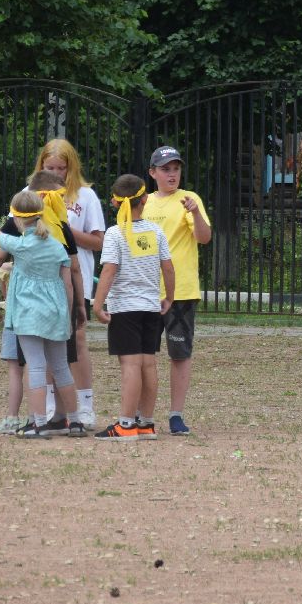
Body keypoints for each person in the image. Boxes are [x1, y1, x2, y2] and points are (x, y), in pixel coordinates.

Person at [0, 190, 81, 439]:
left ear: (17, 219)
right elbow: (68, 285)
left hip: (28, 314)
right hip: (56, 313)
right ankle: (74, 421)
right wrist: (69, 315)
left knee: (35, 366)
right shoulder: (57, 247)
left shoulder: (20, 245)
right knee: (60, 367)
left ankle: (40, 423)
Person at [91, 174, 175, 440]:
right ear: (145, 199)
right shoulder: (156, 231)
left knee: (130, 365)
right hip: (151, 307)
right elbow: (168, 267)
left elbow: (109, 271)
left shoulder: (116, 233)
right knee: (148, 365)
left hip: (125, 308)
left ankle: (126, 425)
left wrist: (97, 303)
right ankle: (146, 423)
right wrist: (169, 297)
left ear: (115, 202)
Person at [35, 139, 106, 430]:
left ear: (70, 168)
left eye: (60, 168)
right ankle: (54, 408)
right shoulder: (30, 193)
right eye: (49, 167)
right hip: (39, 279)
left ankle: (85, 404)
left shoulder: (85, 196)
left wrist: (63, 229)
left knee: (76, 339)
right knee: (45, 341)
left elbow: (98, 241)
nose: (54, 173)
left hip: (74, 276)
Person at [146, 145, 211, 435]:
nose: (172, 174)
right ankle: (140, 414)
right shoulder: (142, 202)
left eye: (176, 168)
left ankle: (175, 415)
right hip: (145, 290)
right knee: (142, 355)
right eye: (165, 169)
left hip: (180, 291)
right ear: (153, 173)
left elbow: (204, 237)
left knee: (179, 353)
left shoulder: (189, 199)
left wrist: (196, 213)